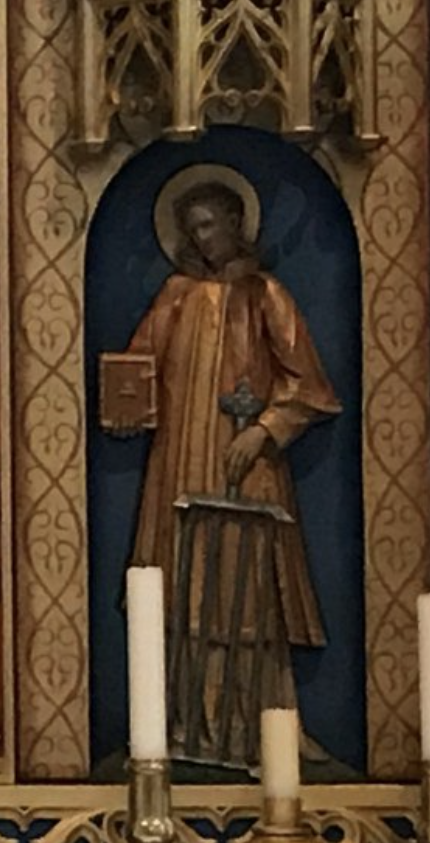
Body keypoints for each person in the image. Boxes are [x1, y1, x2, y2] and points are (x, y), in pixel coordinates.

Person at [103, 171, 340, 758]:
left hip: (244, 462)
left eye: (210, 224)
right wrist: (126, 409)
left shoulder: (266, 296)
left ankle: (266, 729)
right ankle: (188, 722)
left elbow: (308, 386)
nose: (203, 238)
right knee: (185, 586)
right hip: (180, 462)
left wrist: (264, 430)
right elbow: (137, 369)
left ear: (237, 224)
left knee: (248, 588)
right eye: (193, 229)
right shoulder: (176, 296)